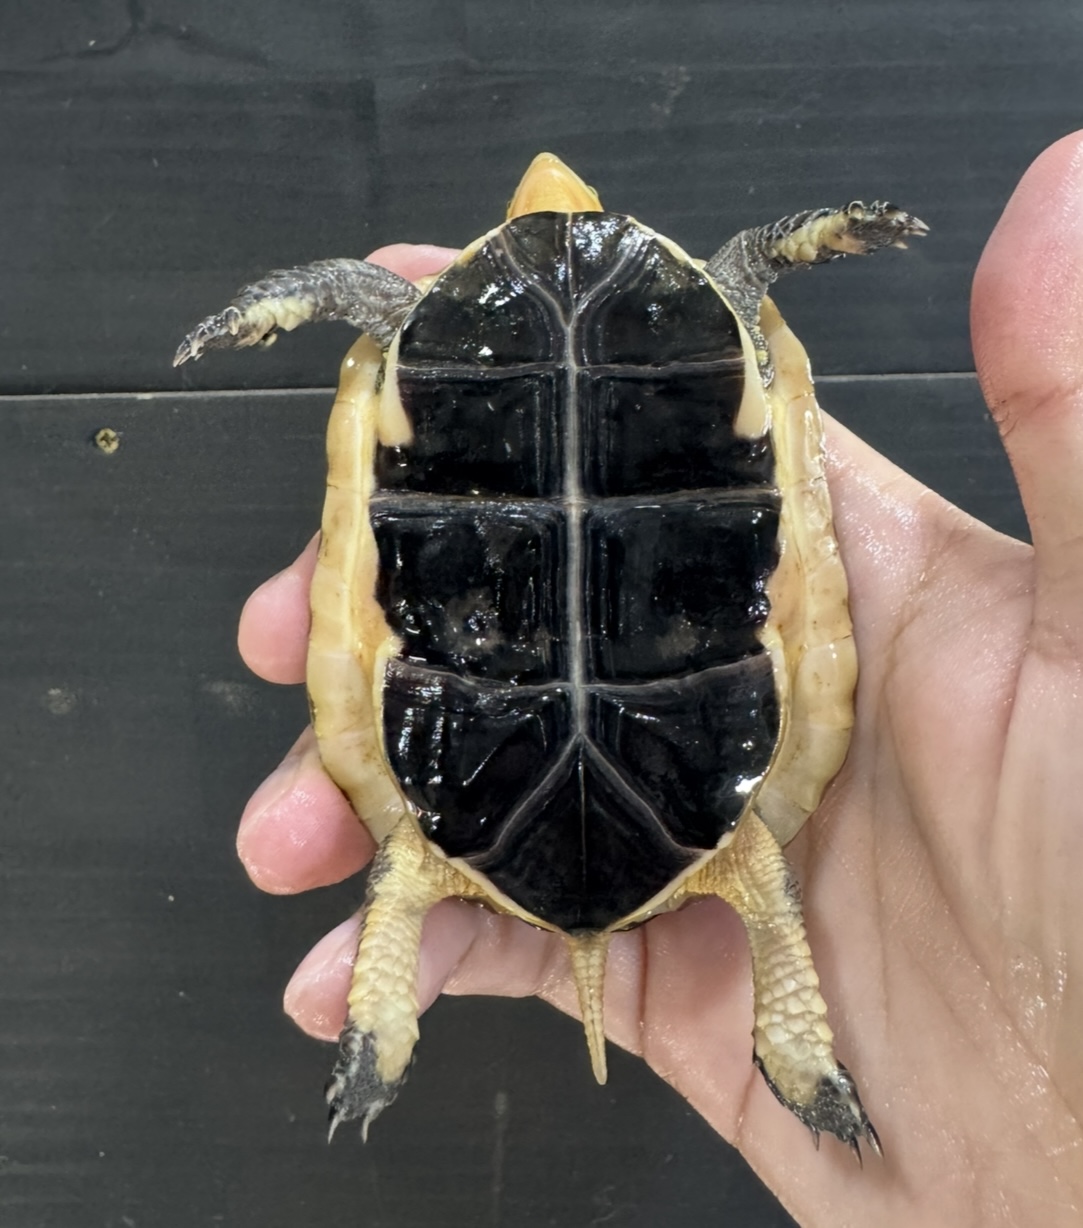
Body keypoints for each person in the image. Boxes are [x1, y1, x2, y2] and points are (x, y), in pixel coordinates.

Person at [230, 133, 1083, 1226]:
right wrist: (804, 241)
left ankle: (382, 1021)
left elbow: (360, 303)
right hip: (703, 776)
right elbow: (747, 281)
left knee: (415, 853)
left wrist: (281, 302)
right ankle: (792, 1044)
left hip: (467, 758)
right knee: (747, 859)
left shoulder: (415, 317)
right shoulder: (705, 298)